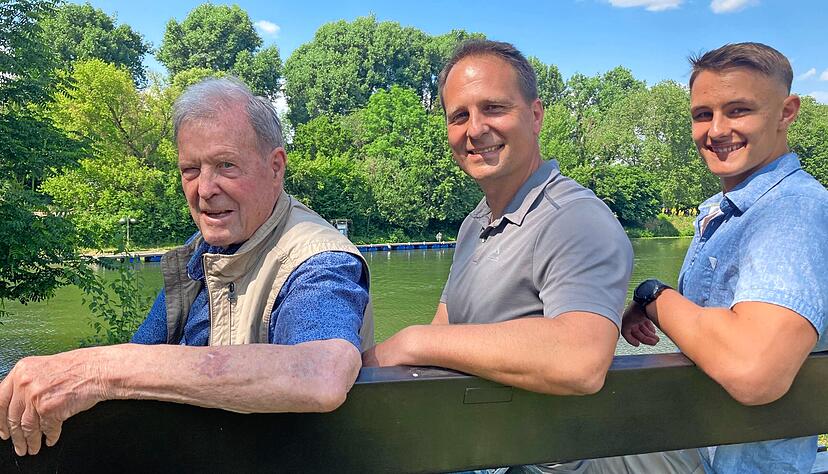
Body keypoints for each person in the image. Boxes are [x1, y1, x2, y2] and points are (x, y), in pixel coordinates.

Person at [0, 77, 373, 457]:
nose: (204, 189)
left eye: (226, 165)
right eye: (190, 169)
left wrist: (96, 369)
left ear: (275, 167)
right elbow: (143, 351)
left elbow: (320, 373)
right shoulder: (202, 253)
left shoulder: (317, 258)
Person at [365, 40, 632, 403]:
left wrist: (413, 341)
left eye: (493, 108)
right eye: (460, 116)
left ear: (535, 115)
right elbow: (445, 325)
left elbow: (581, 359)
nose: (475, 129)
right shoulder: (474, 223)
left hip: (539, 442)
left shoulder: (575, 219)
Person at [623, 42, 828, 473]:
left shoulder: (793, 211)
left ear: (786, 112)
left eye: (738, 111)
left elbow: (755, 370)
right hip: (700, 447)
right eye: (703, 114)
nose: (716, 130)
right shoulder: (727, 213)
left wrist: (653, 295)